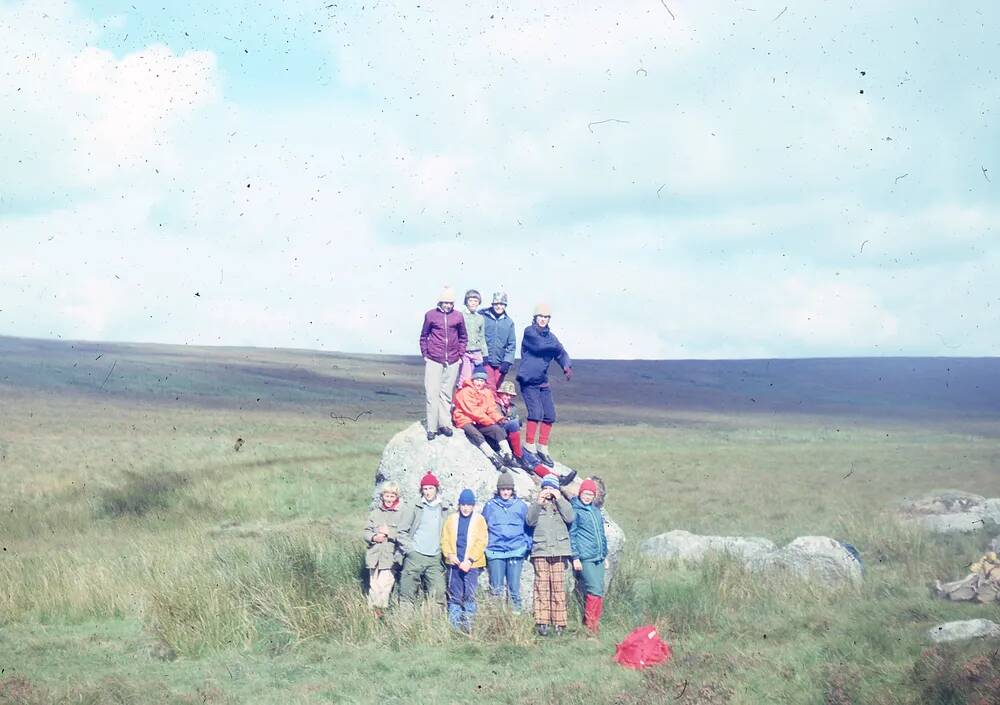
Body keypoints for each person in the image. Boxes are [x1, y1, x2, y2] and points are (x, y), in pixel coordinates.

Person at [516, 303, 572, 467]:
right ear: (535, 318)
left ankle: (542, 448)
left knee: (549, 414)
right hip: (528, 380)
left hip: (542, 380)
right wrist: (556, 348)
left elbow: (561, 353)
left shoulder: (551, 337)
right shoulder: (529, 332)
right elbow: (540, 346)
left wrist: (566, 365)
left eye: (546, 317)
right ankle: (529, 447)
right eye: (540, 316)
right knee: (536, 412)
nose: (543, 319)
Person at [496, 380, 576, 486]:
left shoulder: (512, 407)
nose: (508, 397)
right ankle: (519, 457)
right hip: (500, 440)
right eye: (506, 394)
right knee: (525, 456)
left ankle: (557, 478)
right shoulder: (495, 406)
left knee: (532, 460)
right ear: (500, 393)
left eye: (510, 395)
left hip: (512, 442)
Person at [525, 474, 575, 636]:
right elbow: (530, 521)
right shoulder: (537, 505)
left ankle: (559, 623)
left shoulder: (562, 504)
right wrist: (539, 502)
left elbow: (570, 517)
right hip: (541, 550)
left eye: (551, 488)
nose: (548, 491)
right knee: (542, 586)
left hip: (559, 550)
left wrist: (559, 498)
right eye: (546, 488)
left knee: (558, 587)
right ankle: (542, 621)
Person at [419, 287, 467, 441]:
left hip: (452, 360)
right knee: (432, 393)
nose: (448, 305)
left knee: (446, 394)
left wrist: (460, 355)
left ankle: (444, 425)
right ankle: (432, 428)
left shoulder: (458, 316)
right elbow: (424, 336)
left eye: (450, 303)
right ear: (440, 301)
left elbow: (463, 337)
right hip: (434, 359)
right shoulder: (430, 315)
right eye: (445, 302)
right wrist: (425, 354)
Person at [440, 488, 488, 632]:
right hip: (454, 563)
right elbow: (445, 539)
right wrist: (449, 555)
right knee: (455, 595)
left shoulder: (479, 520)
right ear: (459, 505)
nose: (466, 508)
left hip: (471, 565)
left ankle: (469, 627)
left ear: (473, 506)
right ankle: (454, 627)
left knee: (470, 595)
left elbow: (481, 541)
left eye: (469, 505)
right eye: (463, 505)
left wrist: (470, 560)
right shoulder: (451, 519)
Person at [397, 472, 448, 606]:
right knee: (407, 595)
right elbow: (401, 531)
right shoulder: (414, 505)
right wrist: (410, 550)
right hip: (415, 556)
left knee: (439, 593)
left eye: (431, 488)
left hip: (435, 558)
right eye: (425, 489)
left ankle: (435, 625)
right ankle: (403, 625)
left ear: (436, 489)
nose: (428, 492)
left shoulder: (444, 508)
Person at [482, 472, 530, 612]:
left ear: (512, 490)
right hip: (495, 552)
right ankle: (496, 620)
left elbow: (528, 527)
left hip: (516, 550)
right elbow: (483, 525)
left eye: (508, 489)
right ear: (498, 490)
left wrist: (527, 546)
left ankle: (516, 620)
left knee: (514, 589)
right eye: (503, 489)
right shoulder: (490, 506)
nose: (505, 492)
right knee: (496, 589)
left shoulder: (520, 506)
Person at [452, 369, 514, 471]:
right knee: (477, 435)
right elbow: (472, 411)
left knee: (496, 430)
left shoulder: (487, 392)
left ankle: (508, 455)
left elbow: (491, 409)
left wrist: (499, 419)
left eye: (482, 381)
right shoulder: (465, 392)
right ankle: (493, 458)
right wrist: (489, 421)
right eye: (477, 380)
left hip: (480, 420)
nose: (479, 383)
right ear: (473, 380)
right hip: (464, 419)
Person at [569, 478, 609, 635]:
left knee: (599, 590)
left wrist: (604, 554)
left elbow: (601, 534)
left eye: (590, 494)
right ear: (580, 493)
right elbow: (572, 535)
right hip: (585, 557)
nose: (587, 497)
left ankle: (594, 625)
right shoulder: (576, 510)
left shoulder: (596, 511)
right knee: (594, 590)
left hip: (598, 557)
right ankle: (590, 627)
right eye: (585, 493)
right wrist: (575, 557)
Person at [363, 482, 404, 611]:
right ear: (382, 496)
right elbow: (366, 532)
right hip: (374, 557)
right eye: (387, 496)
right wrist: (374, 537)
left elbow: (404, 535)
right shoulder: (375, 513)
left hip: (390, 558)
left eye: (392, 496)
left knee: (383, 587)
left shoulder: (401, 514)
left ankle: (381, 615)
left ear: (396, 497)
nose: (389, 499)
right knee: (373, 587)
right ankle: (371, 618)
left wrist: (389, 533)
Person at [480, 292, 516, 392]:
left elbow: (511, 344)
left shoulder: (509, 322)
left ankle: (496, 407)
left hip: (501, 363)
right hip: (486, 360)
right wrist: (482, 355)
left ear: (505, 306)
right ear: (492, 304)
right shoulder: (483, 317)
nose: (499, 307)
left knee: (498, 387)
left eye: (502, 304)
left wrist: (507, 362)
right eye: (496, 304)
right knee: (490, 387)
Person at [458, 289, 489, 385]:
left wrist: (485, 354)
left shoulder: (480, 318)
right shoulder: (460, 316)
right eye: (470, 300)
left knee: (478, 378)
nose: (473, 303)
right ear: (466, 301)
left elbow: (482, 337)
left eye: (476, 301)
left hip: (477, 352)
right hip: (465, 352)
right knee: (465, 378)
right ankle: (462, 398)